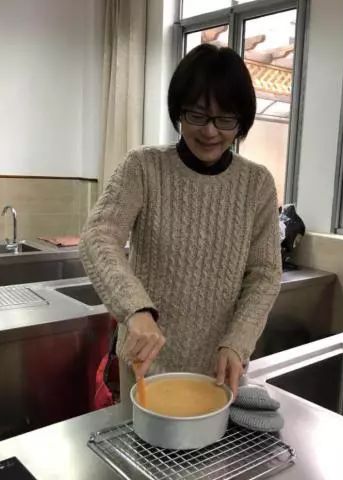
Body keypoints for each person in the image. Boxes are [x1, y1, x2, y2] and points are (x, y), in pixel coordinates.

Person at [79, 43, 282, 414]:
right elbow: (98, 236)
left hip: (218, 370)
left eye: (225, 119)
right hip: (145, 365)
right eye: (197, 115)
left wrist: (237, 342)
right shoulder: (143, 167)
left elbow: (265, 274)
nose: (210, 131)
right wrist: (135, 310)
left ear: (241, 121)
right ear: (178, 111)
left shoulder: (257, 184)